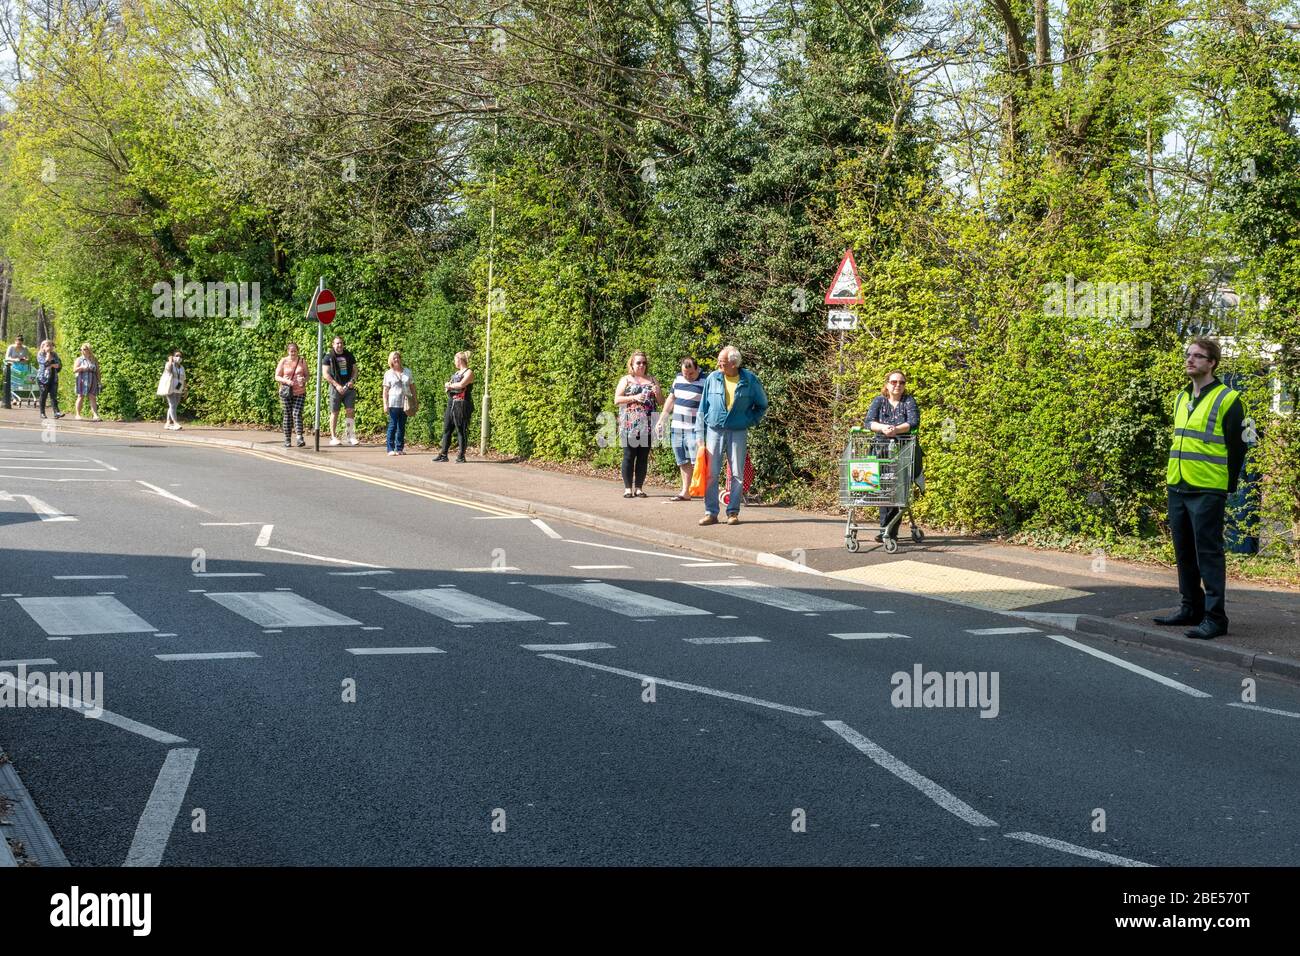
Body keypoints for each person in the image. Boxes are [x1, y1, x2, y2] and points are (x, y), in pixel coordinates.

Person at [1154, 338, 1248, 640]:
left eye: (1198, 356)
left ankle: (1216, 617)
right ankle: (1190, 608)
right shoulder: (1181, 398)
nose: (1190, 360)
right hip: (1178, 485)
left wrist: (1228, 485)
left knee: (1208, 553)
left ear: (1212, 363)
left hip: (1208, 488)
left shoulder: (1229, 399)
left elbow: (1238, 447)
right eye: (1188, 355)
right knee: (1184, 552)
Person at [695, 345, 767, 525]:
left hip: (738, 431)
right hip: (714, 430)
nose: (719, 364)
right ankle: (711, 512)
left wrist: (748, 420)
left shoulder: (750, 380)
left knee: (737, 473)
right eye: (719, 361)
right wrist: (699, 435)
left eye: (723, 362)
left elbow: (762, 405)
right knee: (711, 473)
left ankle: (733, 512)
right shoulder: (712, 378)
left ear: (734, 364)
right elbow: (702, 409)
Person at [864, 370, 921, 542]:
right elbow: (869, 422)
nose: (898, 385)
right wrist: (882, 428)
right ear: (887, 384)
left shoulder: (908, 401)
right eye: (894, 382)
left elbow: (913, 422)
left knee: (898, 490)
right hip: (881, 450)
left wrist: (895, 429)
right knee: (883, 489)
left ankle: (891, 532)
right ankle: (884, 529)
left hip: (903, 450)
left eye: (901, 382)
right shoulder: (879, 401)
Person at [614, 350, 662, 498]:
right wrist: (634, 397)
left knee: (643, 457)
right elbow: (617, 400)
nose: (641, 365)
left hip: (648, 424)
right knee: (629, 456)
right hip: (629, 424)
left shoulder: (652, 380)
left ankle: (639, 488)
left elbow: (661, 402)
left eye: (644, 363)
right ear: (632, 364)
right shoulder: (626, 379)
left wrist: (658, 391)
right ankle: (628, 488)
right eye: (638, 363)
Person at [656, 355, 704, 500]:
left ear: (697, 369)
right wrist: (662, 419)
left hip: (695, 428)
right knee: (682, 460)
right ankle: (685, 491)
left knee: (698, 460)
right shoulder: (678, 379)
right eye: (685, 373)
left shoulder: (706, 380)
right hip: (677, 427)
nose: (688, 377)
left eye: (691, 374)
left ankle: (702, 490)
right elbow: (671, 398)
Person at [433, 352, 474, 462]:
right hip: (452, 402)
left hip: (462, 403)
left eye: (455, 359)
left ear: (460, 360)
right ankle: (443, 454)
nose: (454, 362)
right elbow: (448, 387)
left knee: (461, 430)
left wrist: (449, 385)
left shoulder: (469, 372)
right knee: (447, 429)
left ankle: (461, 456)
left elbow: (461, 385)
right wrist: (449, 386)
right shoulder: (456, 373)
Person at [322, 335, 359, 446]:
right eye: (337, 343)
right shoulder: (328, 357)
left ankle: (349, 436)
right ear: (333, 345)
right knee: (335, 412)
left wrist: (352, 381)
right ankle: (333, 437)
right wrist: (337, 385)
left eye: (341, 343)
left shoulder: (349, 355)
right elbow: (325, 374)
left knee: (350, 411)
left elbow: (355, 370)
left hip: (348, 388)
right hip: (335, 389)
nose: (339, 345)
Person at [382, 350, 416, 456]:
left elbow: (412, 387)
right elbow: (385, 391)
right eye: (394, 358)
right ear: (391, 360)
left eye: (398, 357)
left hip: (405, 403)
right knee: (393, 425)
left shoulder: (407, 371)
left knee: (402, 426)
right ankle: (390, 448)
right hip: (393, 403)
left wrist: (415, 400)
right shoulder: (388, 373)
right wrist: (385, 404)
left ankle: (399, 448)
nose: (396, 359)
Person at [274, 342, 308, 448]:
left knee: (297, 413)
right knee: (287, 415)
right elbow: (277, 376)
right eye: (291, 351)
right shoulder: (283, 361)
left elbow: (307, 375)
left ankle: (299, 437)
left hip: (300, 391)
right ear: (288, 351)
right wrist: (286, 381)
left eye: (295, 351)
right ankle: (287, 439)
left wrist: (304, 379)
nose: (293, 353)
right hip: (286, 392)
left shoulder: (302, 361)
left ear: (297, 351)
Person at [73, 343, 102, 421]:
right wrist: (82, 368)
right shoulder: (79, 359)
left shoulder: (94, 359)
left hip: (93, 380)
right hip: (82, 380)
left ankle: (95, 415)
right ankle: (78, 414)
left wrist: (99, 382)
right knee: (80, 396)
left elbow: (98, 371)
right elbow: (74, 370)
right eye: (81, 349)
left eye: (85, 349)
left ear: (89, 349)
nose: (82, 351)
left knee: (92, 397)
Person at [36, 339, 64, 419]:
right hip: (43, 378)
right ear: (43, 347)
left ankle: (57, 412)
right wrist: (48, 357)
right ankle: (42, 413)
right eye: (47, 346)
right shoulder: (40, 354)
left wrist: (51, 365)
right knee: (43, 395)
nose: (50, 347)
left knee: (53, 396)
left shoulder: (55, 354)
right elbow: (45, 364)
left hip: (53, 377)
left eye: (51, 345)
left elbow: (59, 365)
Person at [160, 349, 185, 429]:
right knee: (172, 405)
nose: (179, 357)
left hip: (178, 388)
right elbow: (168, 370)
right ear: (173, 357)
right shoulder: (169, 364)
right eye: (177, 356)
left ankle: (167, 423)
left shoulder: (182, 368)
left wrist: (185, 389)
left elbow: (183, 379)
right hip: (170, 388)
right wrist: (170, 360)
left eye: (180, 356)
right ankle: (175, 423)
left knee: (173, 406)